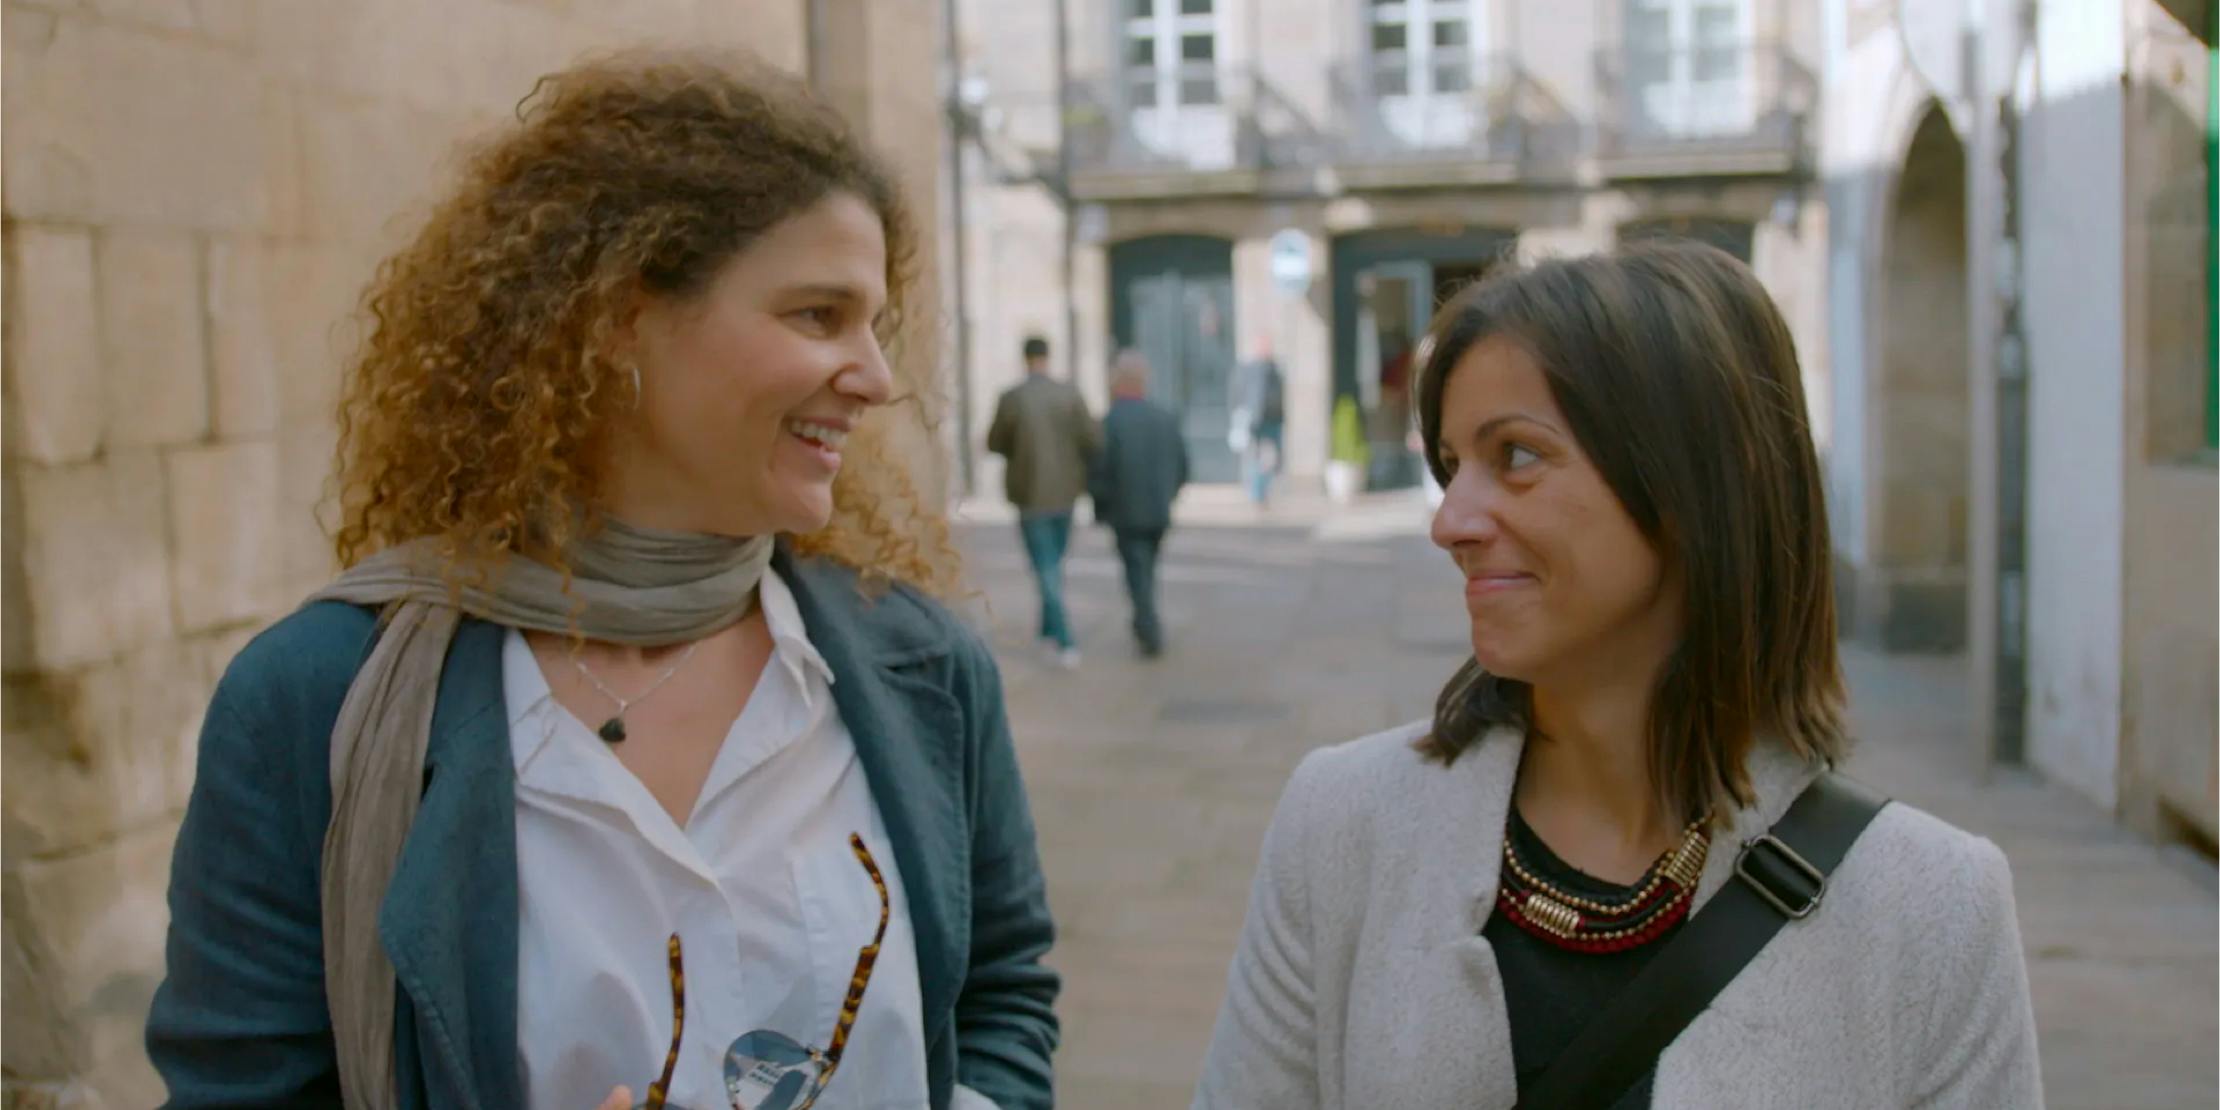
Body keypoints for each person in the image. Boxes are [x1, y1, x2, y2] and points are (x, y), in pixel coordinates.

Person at [145, 51, 1058, 1110]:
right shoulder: (316, 704)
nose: (876, 375)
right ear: (617, 321)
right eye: (817, 315)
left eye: (874, 323)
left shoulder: (924, 669)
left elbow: (999, 1000)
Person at [1194, 242, 2041, 1108]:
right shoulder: (1342, 826)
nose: (1450, 520)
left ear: (1695, 483)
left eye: (1516, 456)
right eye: (1451, 466)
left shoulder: (1933, 909)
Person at [987, 336, 1100, 669]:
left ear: (1025, 359)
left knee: (1046, 568)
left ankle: (1064, 637)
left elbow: (995, 442)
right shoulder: (1070, 394)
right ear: (1048, 357)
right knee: (1052, 565)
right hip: (1066, 493)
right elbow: (1092, 439)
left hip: (1030, 493)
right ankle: (1049, 629)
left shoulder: (1013, 398)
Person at [1087, 350, 1189, 658]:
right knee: (1146, 568)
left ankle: (1148, 626)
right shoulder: (1165, 418)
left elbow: (1099, 472)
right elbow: (1183, 467)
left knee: (1137, 571)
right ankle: (1145, 621)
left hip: (1127, 514)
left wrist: (1101, 505)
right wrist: (1167, 495)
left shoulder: (1110, 422)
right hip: (1157, 511)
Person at [1227, 342, 1285, 507]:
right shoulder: (1248, 370)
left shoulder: (1275, 370)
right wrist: (1238, 415)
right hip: (1254, 421)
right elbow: (1236, 393)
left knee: (1270, 458)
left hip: (1272, 420)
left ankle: (1261, 490)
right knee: (1253, 457)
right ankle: (1256, 492)